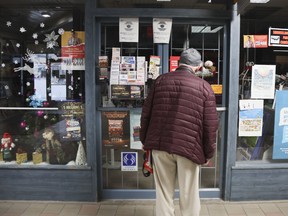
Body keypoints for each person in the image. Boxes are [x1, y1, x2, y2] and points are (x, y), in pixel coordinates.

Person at [140, 48, 218, 216]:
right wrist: (208, 153)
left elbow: (146, 114)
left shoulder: (160, 81)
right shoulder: (204, 87)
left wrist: (145, 141)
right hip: (189, 148)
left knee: (163, 193)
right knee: (189, 194)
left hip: (160, 146)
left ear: (178, 63)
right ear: (197, 67)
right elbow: (210, 125)